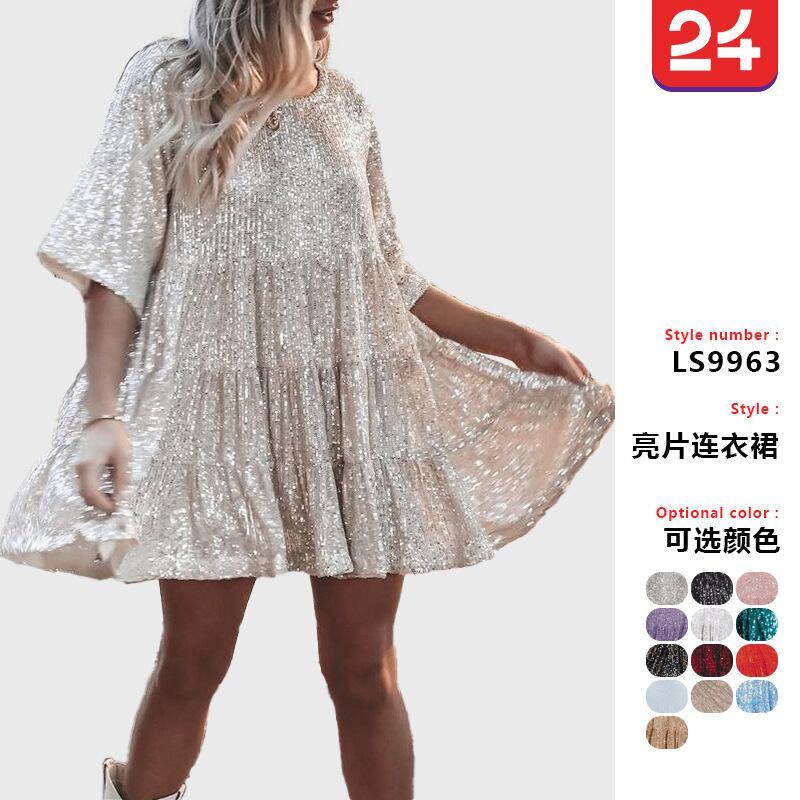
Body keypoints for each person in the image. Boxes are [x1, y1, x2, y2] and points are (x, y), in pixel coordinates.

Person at [0, 1, 614, 798]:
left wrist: (515, 339)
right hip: (215, 420)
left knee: (364, 668)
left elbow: (385, 272)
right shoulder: (168, 82)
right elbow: (116, 257)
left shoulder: (346, 104)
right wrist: (104, 413)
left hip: (352, 416)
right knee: (194, 665)